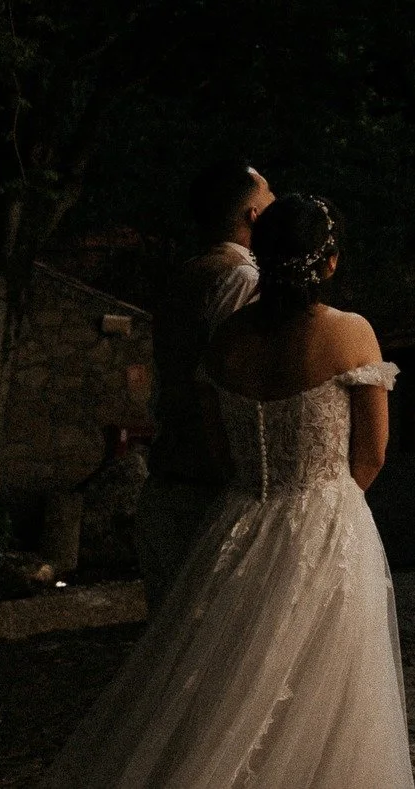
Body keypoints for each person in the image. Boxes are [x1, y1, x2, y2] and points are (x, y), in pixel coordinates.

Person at [45, 194, 411, 789]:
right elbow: (372, 453)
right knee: (328, 684)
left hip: (240, 520)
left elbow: (222, 454)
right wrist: (329, 506)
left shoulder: (226, 341)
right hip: (327, 518)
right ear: (329, 263)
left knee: (221, 679)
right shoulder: (351, 333)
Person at [133, 161, 273, 607]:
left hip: (169, 475)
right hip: (209, 483)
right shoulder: (241, 279)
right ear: (253, 214)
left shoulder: (185, 275)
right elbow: (232, 381)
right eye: (269, 193)